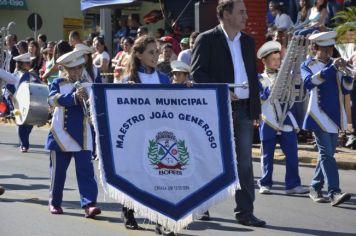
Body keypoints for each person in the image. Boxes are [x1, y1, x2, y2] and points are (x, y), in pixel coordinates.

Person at [191, 0, 265, 227]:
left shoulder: (248, 41)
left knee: (244, 163)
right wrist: (224, 90)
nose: (246, 17)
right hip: (215, 110)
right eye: (241, 12)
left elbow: (251, 77)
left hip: (243, 110)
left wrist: (255, 109)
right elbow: (197, 75)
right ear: (226, 14)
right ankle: (200, 206)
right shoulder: (207, 39)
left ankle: (245, 211)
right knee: (210, 160)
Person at [121, 35, 170, 231]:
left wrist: (186, 89)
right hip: (136, 136)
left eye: (157, 52)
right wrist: (126, 92)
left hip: (160, 135)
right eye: (151, 52)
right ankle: (128, 210)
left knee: (161, 176)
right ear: (139, 55)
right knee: (135, 175)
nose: (156, 55)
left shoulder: (165, 79)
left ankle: (160, 219)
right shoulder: (129, 80)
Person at [45, 50, 101, 217]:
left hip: (83, 135)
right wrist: (73, 97)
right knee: (58, 172)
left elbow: (101, 98)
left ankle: (89, 204)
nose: (77, 72)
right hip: (60, 135)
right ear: (64, 69)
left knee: (86, 171)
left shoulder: (88, 84)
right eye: (72, 69)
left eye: (79, 68)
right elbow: (51, 100)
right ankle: (54, 201)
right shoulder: (58, 82)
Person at [301, 31, 353, 206]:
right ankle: (334, 192)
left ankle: (315, 187)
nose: (328, 53)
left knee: (327, 155)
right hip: (317, 114)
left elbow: (346, 89)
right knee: (326, 154)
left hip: (335, 116)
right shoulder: (307, 64)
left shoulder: (335, 64)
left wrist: (348, 74)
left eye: (330, 49)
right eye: (324, 49)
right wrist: (332, 68)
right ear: (315, 48)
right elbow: (309, 83)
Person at [256, 41, 308, 195]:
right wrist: (272, 88)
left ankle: (293, 185)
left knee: (292, 154)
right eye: (273, 59)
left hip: (286, 119)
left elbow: (299, 94)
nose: (277, 62)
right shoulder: (259, 78)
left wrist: (296, 82)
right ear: (264, 61)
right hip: (268, 120)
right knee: (267, 154)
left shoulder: (287, 77)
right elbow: (259, 98)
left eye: (279, 59)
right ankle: (265, 183)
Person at [0, 53, 42, 152]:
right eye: (27, 62)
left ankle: (24, 139)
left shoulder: (32, 75)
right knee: (21, 123)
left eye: (29, 62)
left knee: (29, 124)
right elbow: (5, 89)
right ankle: (24, 144)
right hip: (17, 104)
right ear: (21, 64)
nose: (29, 64)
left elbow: (40, 88)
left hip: (31, 104)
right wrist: (10, 96)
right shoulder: (13, 75)